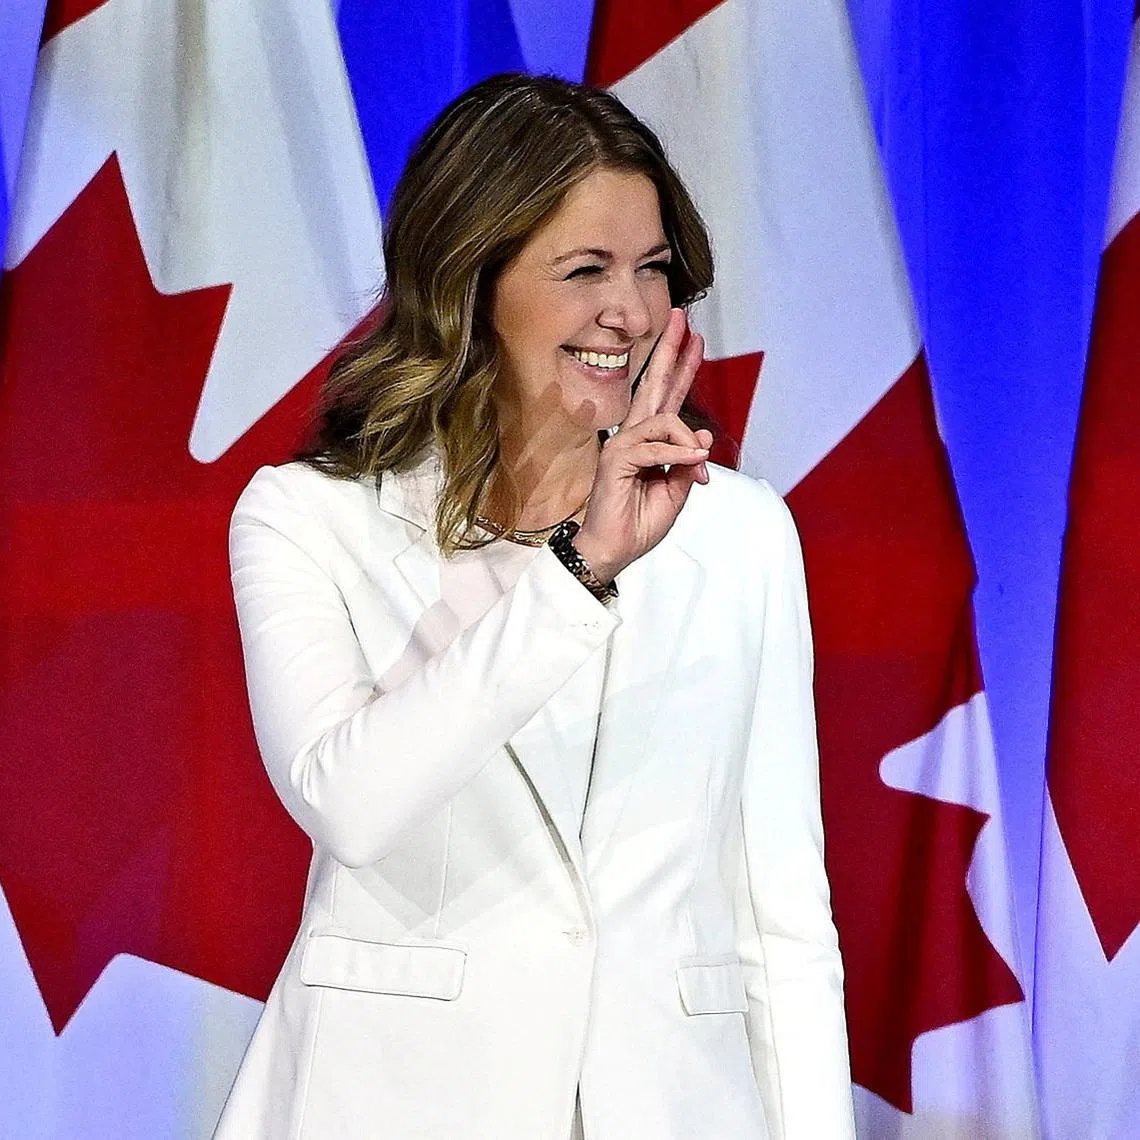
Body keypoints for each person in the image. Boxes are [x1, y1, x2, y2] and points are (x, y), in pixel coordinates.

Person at [214, 73, 855, 1140]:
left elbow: (781, 919)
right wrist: (580, 570)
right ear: (472, 280)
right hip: (399, 1105)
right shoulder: (306, 519)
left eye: (654, 269)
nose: (632, 311)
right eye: (585, 270)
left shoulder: (741, 533)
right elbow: (353, 803)